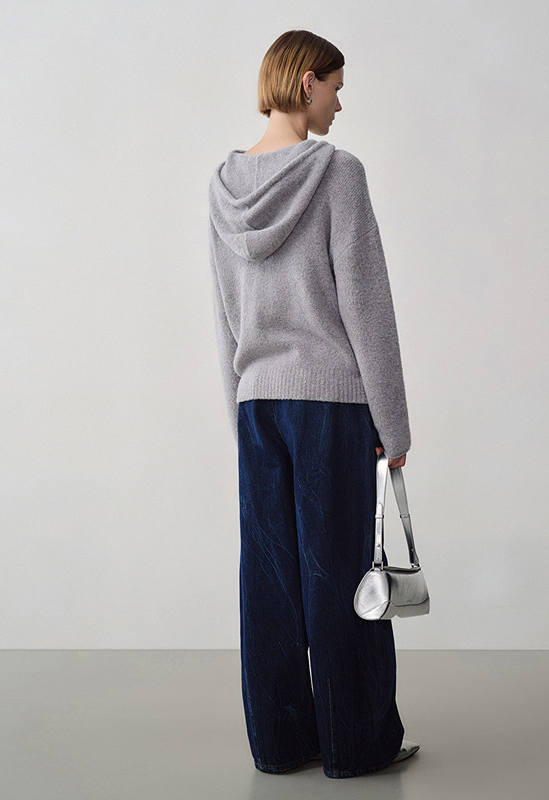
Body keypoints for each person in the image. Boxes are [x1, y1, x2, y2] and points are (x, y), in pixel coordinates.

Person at [208, 29, 419, 779]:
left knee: (268, 582)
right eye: (334, 86)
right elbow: (367, 306)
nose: (338, 102)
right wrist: (393, 423)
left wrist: (238, 412)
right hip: (329, 406)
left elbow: (226, 317)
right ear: (306, 84)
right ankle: (357, 745)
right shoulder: (337, 174)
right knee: (338, 577)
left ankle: (281, 743)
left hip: (257, 406)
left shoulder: (223, 188)